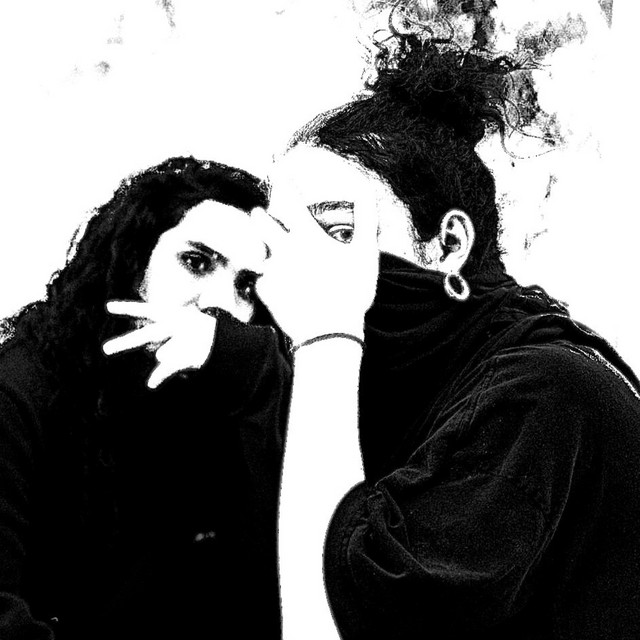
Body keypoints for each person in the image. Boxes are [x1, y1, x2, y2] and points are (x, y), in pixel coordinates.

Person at [252, 24, 640, 640]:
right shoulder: (422, 397)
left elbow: (330, 625)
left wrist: (325, 339)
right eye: (282, 245)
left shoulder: (543, 391)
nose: (296, 275)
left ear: (448, 244)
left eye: (337, 232)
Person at [0, 156, 291, 639]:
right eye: (196, 262)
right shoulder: (22, 389)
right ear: (135, 264)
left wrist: (255, 373)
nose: (220, 303)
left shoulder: (243, 399)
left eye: (246, 286)